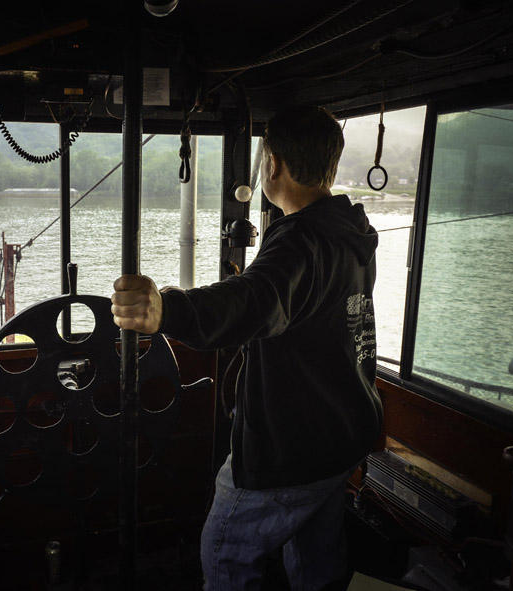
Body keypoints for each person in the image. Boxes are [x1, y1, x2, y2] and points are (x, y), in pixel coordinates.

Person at [111, 106, 381, 590]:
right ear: (331, 166)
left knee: (224, 554)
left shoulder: (301, 239)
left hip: (289, 448)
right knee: (318, 563)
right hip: (343, 435)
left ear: (271, 164)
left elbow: (257, 298)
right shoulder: (352, 236)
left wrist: (166, 312)